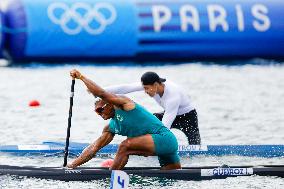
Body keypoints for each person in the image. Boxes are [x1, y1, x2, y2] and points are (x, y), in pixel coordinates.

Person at [67, 69, 181, 170]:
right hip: (161, 146)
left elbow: (101, 93)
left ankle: (112, 179)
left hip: (165, 139)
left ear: (110, 104)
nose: (99, 114)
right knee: (174, 176)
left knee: (125, 146)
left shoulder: (125, 104)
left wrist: (81, 77)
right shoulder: (111, 127)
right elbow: (94, 148)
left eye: (100, 110)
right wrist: (72, 166)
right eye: (96, 111)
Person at [105, 71, 201, 145]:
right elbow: (126, 88)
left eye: (147, 88)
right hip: (169, 112)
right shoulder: (150, 84)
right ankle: (138, 144)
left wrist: (159, 142)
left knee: (195, 145)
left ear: (155, 85)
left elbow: (165, 124)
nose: (145, 91)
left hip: (188, 117)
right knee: (150, 120)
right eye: (144, 88)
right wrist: (100, 91)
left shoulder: (173, 95)